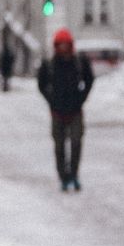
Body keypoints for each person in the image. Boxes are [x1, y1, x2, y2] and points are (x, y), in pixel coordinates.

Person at [37, 28, 94, 192]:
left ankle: (74, 174)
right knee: (59, 146)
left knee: (76, 143)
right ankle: (63, 177)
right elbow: (41, 84)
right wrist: (51, 100)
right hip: (57, 111)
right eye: (60, 44)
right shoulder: (50, 64)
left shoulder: (79, 63)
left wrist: (82, 97)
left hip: (75, 110)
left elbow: (89, 79)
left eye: (65, 44)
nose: (63, 47)